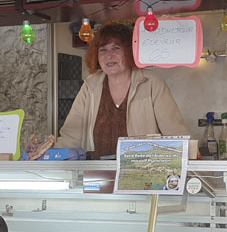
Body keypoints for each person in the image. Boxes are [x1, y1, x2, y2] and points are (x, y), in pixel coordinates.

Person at [54, 21, 189, 157]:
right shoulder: (90, 85)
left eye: (116, 48)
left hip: (142, 172)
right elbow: (71, 135)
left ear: (130, 51)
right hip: (96, 174)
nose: (109, 55)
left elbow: (175, 134)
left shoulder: (151, 83)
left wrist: (187, 161)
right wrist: (54, 159)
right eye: (103, 50)